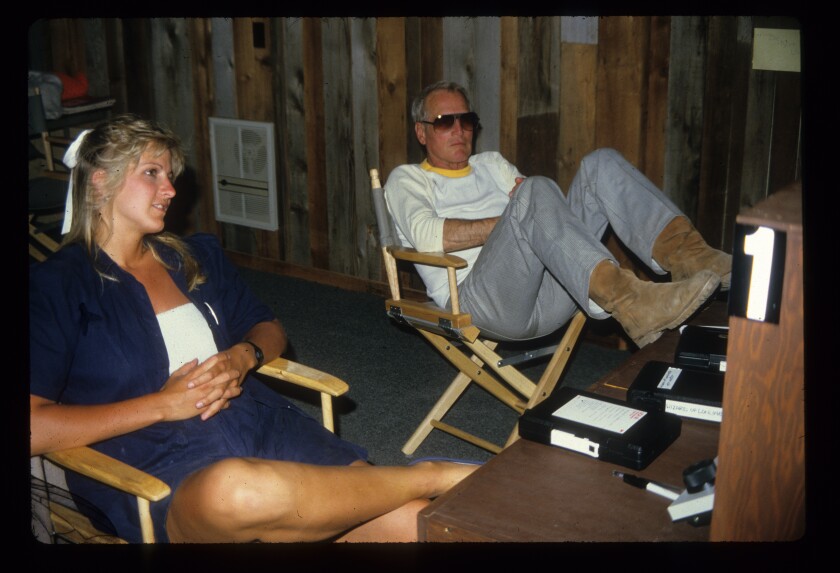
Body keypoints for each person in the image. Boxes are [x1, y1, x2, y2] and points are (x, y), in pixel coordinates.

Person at [29, 114, 476, 543]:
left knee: (419, 522)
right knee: (237, 490)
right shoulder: (57, 285)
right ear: (99, 180)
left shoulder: (193, 257)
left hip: (254, 421)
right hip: (151, 463)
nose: (169, 189)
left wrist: (244, 356)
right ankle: (428, 472)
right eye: (151, 173)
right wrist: (163, 406)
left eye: (170, 175)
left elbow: (268, 328)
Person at [384, 81, 732, 347]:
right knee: (535, 189)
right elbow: (429, 236)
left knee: (600, 163)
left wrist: (523, 213)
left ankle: (692, 256)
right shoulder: (408, 179)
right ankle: (628, 299)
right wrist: (511, 218)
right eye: (446, 122)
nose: (459, 130)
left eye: (467, 121)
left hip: (553, 288)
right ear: (421, 131)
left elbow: (540, 218)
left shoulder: (490, 164)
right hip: (478, 300)